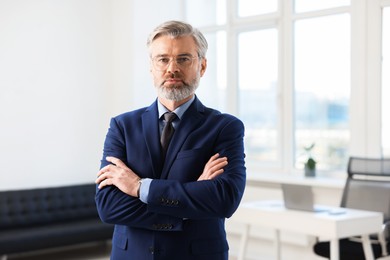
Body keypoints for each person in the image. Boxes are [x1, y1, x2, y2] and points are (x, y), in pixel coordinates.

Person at [95, 20, 246, 260]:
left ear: (203, 66)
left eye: (184, 59)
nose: (172, 68)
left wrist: (138, 187)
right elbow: (109, 206)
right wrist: (194, 197)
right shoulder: (122, 126)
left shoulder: (224, 127)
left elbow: (224, 200)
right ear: (152, 67)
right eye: (163, 59)